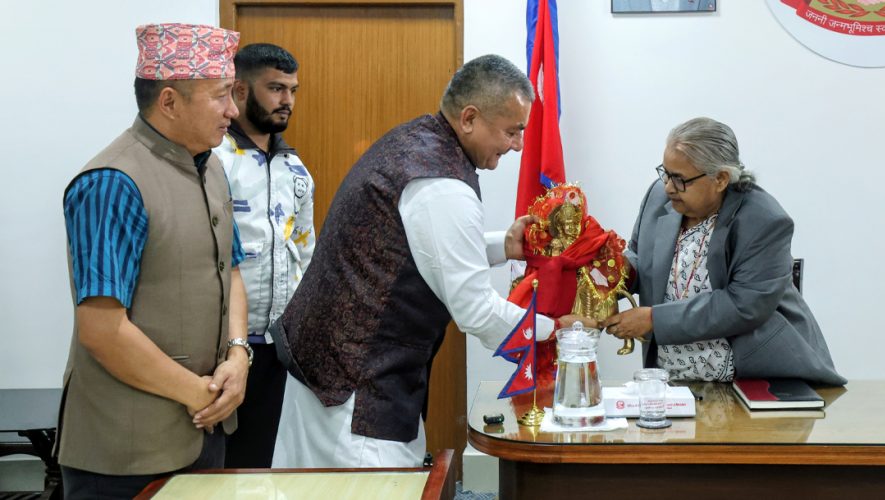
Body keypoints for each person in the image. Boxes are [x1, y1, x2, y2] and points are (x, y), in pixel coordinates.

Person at [270, 54, 572, 468]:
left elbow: (418, 248)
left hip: (326, 367)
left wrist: (503, 246)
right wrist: (559, 329)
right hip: (354, 388)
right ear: (469, 118)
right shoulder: (442, 183)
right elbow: (477, 311)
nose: (518, 145)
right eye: (512, 131)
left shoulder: (416, 141)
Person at [58, 23, 251, 498]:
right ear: (168, 102)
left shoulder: (211, 168)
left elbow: (231, 271)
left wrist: (238, 355)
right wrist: (199, 393)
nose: (233, 110)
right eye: (221, 95)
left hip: (205, 431)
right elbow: (103, 330)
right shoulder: (113, 182)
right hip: (125, 453)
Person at [602, 117, 845, 385]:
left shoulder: (764, 221)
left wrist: (654, 320)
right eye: (666, 173)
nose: (668, 186)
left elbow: (743, 305)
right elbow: (640, 257)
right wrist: (611, 271)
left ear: (720, 179)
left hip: (752, 379)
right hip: (670, 380)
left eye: (680, 179)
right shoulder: (658, 196)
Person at [212, 43, 314, 468]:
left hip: (278, 348)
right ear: (239, 90)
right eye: (275, 88)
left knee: (265, 462)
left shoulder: (296, 170)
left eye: (292, 90)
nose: (287, 100)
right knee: (217, 467)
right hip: (220, 346)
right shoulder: (213, 161)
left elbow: (306, 255)